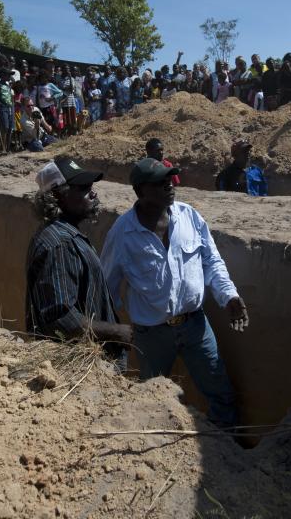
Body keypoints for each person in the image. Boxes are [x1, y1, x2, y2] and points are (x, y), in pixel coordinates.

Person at [101, 158, 249, 428]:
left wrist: (228, 295)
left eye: (170, 179)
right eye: (160, 182)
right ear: (140, 191)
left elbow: (211, 261)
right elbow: (106, 286)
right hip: (151, 334)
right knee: (152, 400)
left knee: (221, 394)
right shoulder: (122, 233)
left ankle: (226, 455)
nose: (170, 185)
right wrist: (109, 332)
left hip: (195, 325)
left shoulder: (189, 216)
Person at [27, 157, 132, 362]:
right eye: (83, 188)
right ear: (58, 195)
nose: (93, 193)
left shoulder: (66, 235)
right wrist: (115, 331)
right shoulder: (59, 244)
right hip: (80, 368)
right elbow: (59, 318)